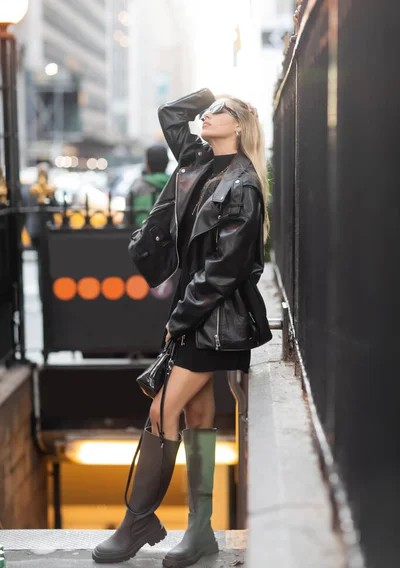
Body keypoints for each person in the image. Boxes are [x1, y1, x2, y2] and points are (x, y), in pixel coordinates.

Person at [93, 89, 273, 566]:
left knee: (161, 411)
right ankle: (200, 531)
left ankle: (138, 521)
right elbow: (172, 114)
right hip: (195, 310)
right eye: (209, 112)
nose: (206, 118)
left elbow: (227, 268)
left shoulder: (244, 184)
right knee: (197, 417)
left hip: (217, 320)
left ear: (238, 127)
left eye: (218, 114)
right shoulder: (196, 159)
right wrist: (212, 96)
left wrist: (180, 318)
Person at [125, 144, 170, 226]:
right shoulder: (176, 185)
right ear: (167, 163)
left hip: (140, 235)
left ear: (147, 163)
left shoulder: (136, 188)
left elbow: (127, 218)